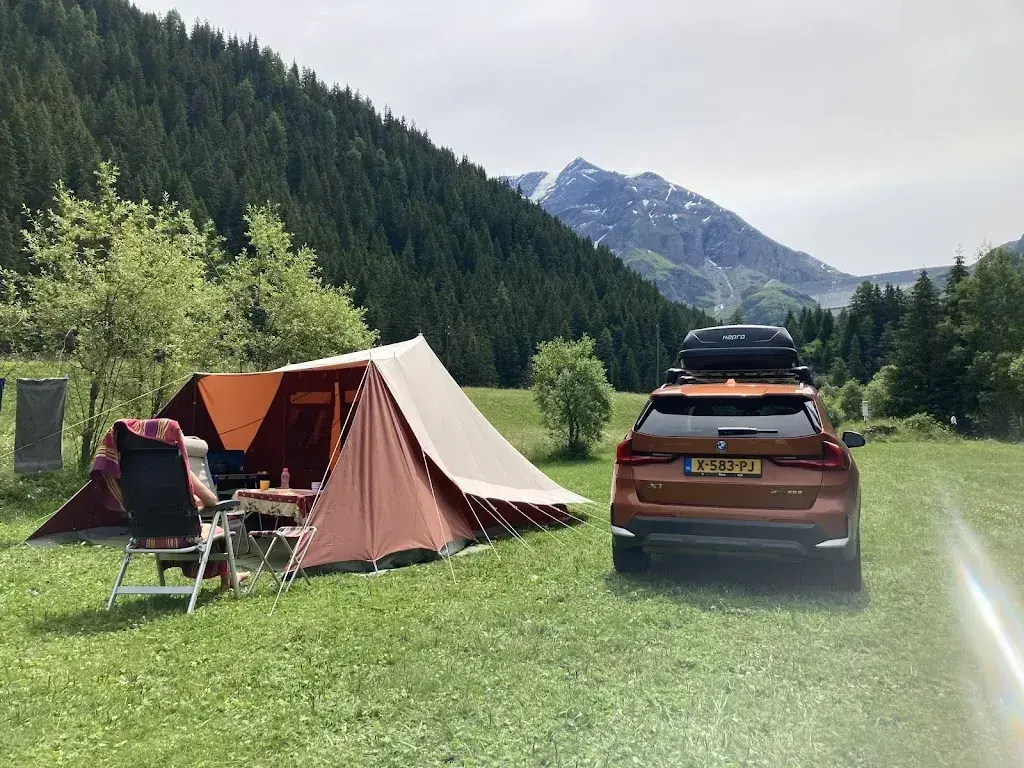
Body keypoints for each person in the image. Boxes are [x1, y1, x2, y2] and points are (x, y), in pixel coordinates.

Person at [189, 468, 249, 590]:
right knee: (220, 532)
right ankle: (227, 581)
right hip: (185, 538)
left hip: (150, 539)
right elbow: (211, 500)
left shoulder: (140, 472)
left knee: (207, 530)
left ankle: (233, 576)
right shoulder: (180, 470)